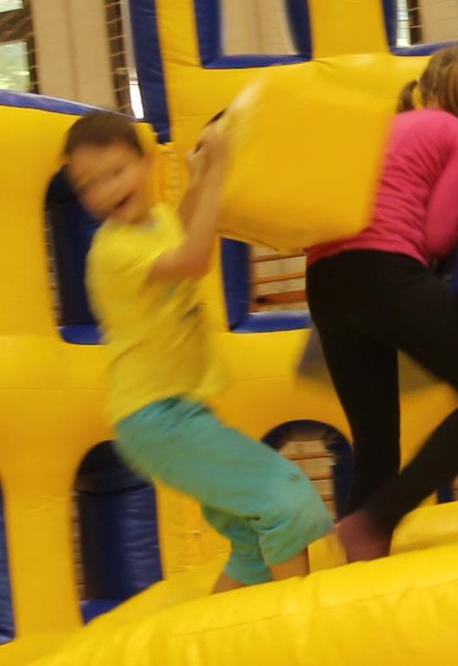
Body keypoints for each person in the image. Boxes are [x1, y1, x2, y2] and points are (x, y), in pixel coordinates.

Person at [68, 111, 332, 592]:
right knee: (286, 501)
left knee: (252, 545)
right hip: (154, 418)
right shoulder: (112, 251)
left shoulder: (155, 223)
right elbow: (193, 258)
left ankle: (221, 627)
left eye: (116, 171)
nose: (105, 190)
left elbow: (181, 227)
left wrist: (200, 177)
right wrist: (219, 171)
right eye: (89, 184)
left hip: (178, 412)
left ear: (147, 161)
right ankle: (300, 628)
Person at [306, 45, 458, 562]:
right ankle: (379, 518)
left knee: (376, 445)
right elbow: (437, 235)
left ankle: (357, 568)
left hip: (324, 278)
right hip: (383, 270)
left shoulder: (389, 127)